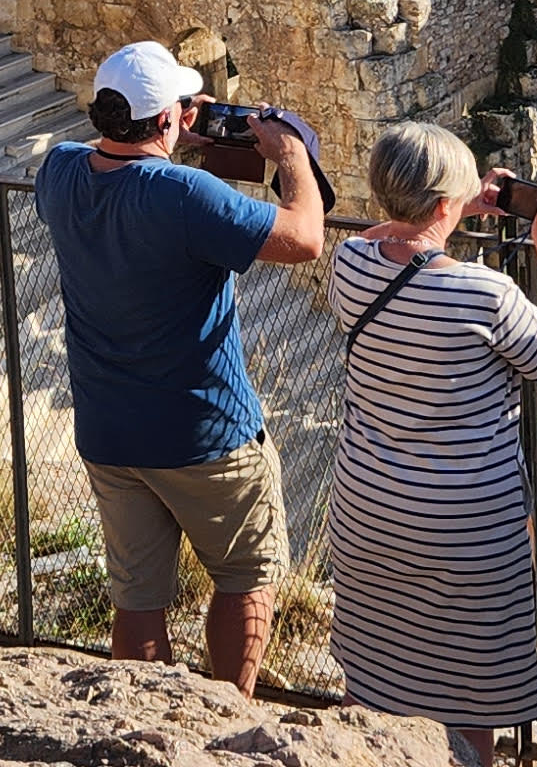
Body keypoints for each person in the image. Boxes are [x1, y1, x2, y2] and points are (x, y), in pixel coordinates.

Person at [30, 38, 326, 693]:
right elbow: (305, 238)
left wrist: (174, 132)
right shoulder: (186, 194)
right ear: (169, 117)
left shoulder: (59, 171)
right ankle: (227, 714)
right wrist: (290, 156)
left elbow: (120, 166)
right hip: (204, 433)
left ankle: (139, 715)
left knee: (137, 598)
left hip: (109, 430)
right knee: (245, 577)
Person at [324, 121, 537, 767]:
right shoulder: (484, 292)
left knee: (372, 679)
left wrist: (448, 206)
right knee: (469, 704)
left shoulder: (348, 263)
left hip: (368, 511)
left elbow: (384, 238)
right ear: (444, 205)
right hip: (465, 530)